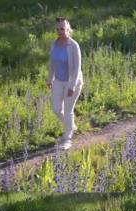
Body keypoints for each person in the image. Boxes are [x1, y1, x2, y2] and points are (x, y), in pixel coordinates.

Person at [47, 17, 83, 150]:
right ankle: (71, 126)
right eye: (57, 29)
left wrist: (72, 86)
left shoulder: (73, 46)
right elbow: (51, 63)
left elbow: (77, 68)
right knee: (56, 109)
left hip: (72, 82)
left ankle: (67, 138)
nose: (59, 31)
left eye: (62, 29)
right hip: (58, 81)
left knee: (68, 111)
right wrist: (49, 79)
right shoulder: (54, 44)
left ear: (68, 29)